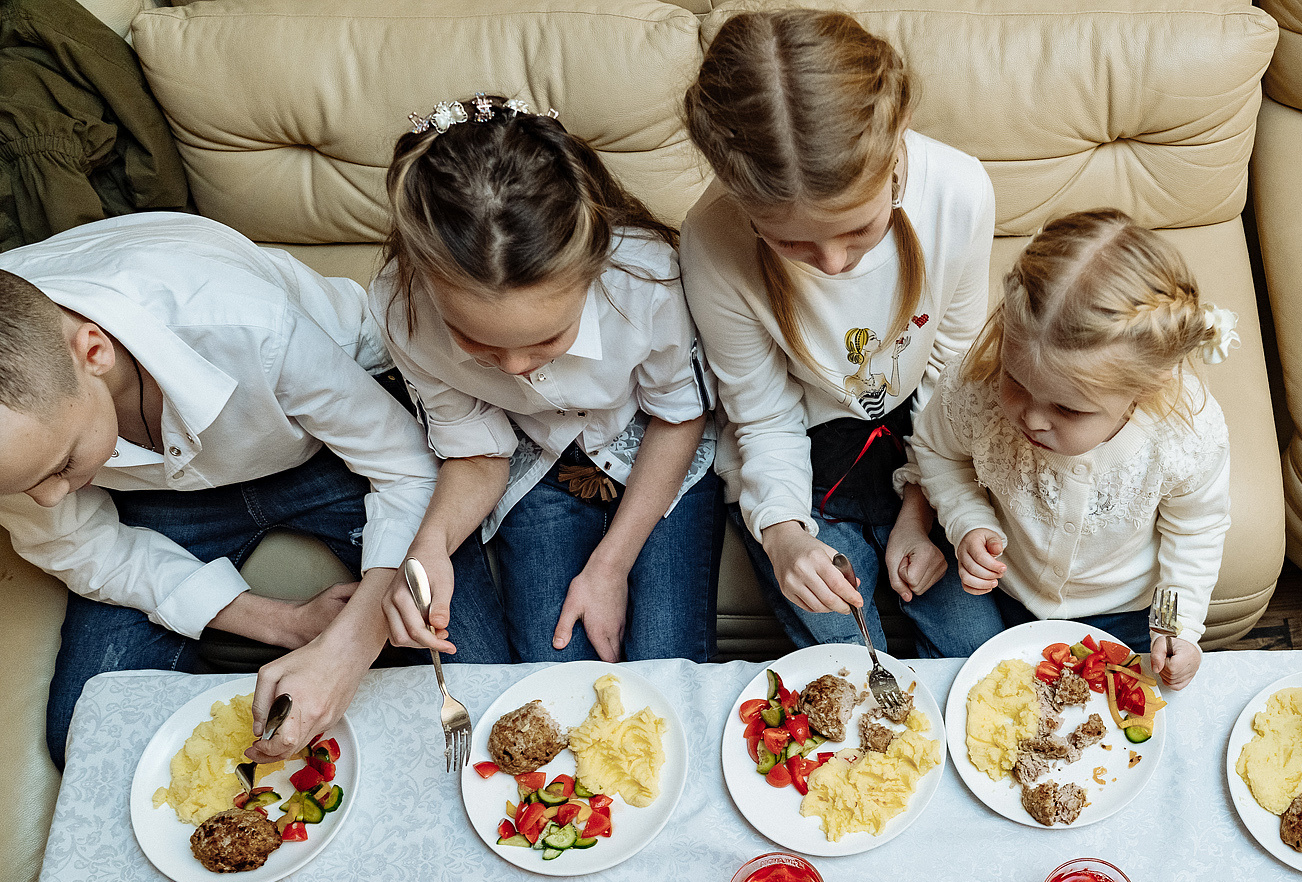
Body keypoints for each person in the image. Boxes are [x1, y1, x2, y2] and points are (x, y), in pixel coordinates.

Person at [0, 212, 504, 766]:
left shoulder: (242, 323)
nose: (49, 500)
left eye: (62, 465)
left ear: (94, 353)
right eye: (26, 486)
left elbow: (408, 470)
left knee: (484, 689)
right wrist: (278, 620)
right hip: (156, 494)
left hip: (328, 451)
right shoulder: (21, 439)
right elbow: (77, 545)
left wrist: (349, 648)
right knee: (86, 738)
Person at [681, 9, 999, 656]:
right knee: (852, 674)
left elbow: (953, 372)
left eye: (859, 231)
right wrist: (785, 536)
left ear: (896, 145)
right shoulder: (711, 240)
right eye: (791, 242)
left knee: (979, 654)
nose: (832, 264)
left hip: (923, 436)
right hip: (801, 451)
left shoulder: (961, 193)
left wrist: (921, 508)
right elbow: (764, 418)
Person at [373, 95, 721, 665]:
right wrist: (429, 545)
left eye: (546, 340)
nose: (514, 369)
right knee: (553, 669)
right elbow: (479, 452)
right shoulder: (400, 308)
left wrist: (609, 567)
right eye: (478, 343)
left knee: (667, 664)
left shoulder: (645, 275)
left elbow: (678, 414)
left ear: (593, 270)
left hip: (658, 448)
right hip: (535, 461)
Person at [907, 209, 1237, 689]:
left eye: (1069, 410)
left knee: (1114, 707)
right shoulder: (974, 388)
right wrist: (968, 522)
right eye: (1015, 381)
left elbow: (1196, 529)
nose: (1032, 418)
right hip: (999, 584)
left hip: (1117, 610)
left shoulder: (1186, 436)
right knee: (961, 679)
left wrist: (1177, 624)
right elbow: (936, 453)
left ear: (1145, 388)